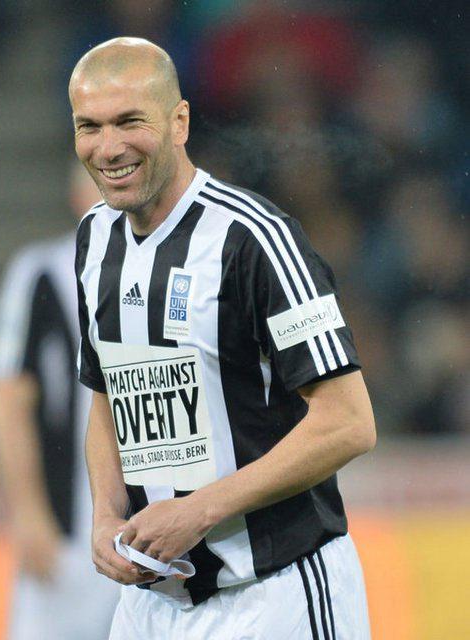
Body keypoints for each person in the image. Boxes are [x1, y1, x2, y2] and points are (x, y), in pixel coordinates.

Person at [70, 37, 376, 639]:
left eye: (130, 121)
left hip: (275, 594)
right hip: (152, 607)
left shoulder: (255, 239)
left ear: (179, 122)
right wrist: (105, 513)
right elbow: (108, 397)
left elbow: (348, 422)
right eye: (89, 127)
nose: (108, 147)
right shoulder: (94, 239)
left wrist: (200, 509)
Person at [0, 164, 120, 640]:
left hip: (157, 529)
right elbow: (6, 399)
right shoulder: (41, 272)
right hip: (69, 534)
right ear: (77, 196)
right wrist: (28, 512)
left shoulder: (179, 266)